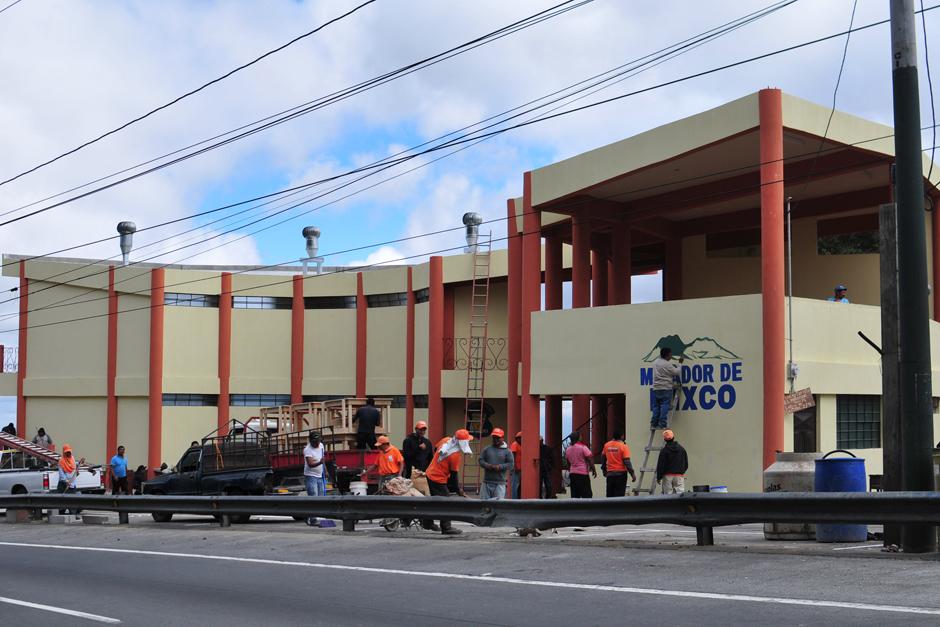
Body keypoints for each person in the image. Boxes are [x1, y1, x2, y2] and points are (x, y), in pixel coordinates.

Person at [424, 429, 474, 535]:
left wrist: (441, 463)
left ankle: (427, 522)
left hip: (430, 472)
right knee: (446, 503)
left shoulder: (446, 440)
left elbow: (436, 449)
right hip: (437, 478)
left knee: (436, 501)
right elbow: (454, 476)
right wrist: (458, 490)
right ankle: (446, 527)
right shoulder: (455, 455)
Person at [651, 347, 683, 429]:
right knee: (664, 405)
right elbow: (676, 372)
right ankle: (662, 424)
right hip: (665, 388)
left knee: (656, 406)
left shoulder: (655, 362)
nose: (671, 356)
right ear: (667, 355)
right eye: (670, 354)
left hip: (656, 388)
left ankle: (653, 423)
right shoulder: (667, 364)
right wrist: (680, 363)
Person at [478, 428, 514, 500]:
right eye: (494, 438)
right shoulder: (487, 449)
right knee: (484, 504)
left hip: (500, 483)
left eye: (498, 438)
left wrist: (500, 467)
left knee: (498, 504)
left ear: (502, 438)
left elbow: (511, 465)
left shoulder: (507, 451)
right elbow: (480, 460)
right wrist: (488, 466)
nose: (495, 440)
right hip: (486, 482)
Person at [601, 430, 636, 498]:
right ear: (622, 436)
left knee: (610, 496)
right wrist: (632, 474)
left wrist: (604, 470)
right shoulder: (623, 446)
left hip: (610, 474)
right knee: (619, 497)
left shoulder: (606, 445)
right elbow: (627, 462)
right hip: (621, 475)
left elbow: (603, 458)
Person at [656, 429, 689, 495]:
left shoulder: (664, 451)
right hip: (679, 476)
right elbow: (686, 464)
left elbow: (661, 465)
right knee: (680, 496)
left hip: (667, 476)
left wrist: (659, 477)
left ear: (665, 439)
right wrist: (681, 472)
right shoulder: (682, 449)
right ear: (673, 437)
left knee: (668, 496)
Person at [303, 432, 325, 526]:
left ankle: (308, 514)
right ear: (311, 441)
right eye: (315, 442)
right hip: (311, 476)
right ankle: (313, 519)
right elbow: (310, 464)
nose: (317, 443)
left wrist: (325, 470)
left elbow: (322, 458)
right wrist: (320, 463)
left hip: (320, 475)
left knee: (321, 497)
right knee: (313, 497)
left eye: (318, 441)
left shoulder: (321, 446)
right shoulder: (307, 450)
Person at [564, 432, 595, 499]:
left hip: (572, 474)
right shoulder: (583, 447)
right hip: (582, 474)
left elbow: (568, 462)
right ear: (578, 438)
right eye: (580, 436)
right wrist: (593, 469)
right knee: (587, 495)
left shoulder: (568, 449)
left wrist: (570, 470)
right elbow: (590, 459)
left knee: (575, 496)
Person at [509, 432, 523, 499]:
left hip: (520, 468)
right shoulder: (515, 444)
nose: (520, 439)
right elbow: (512, 456)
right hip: (516, 469)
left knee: (519, 485)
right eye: (519, 438)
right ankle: (514, 499)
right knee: (515, 485)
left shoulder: (521, 445)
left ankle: (518, 499)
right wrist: (515, 466)